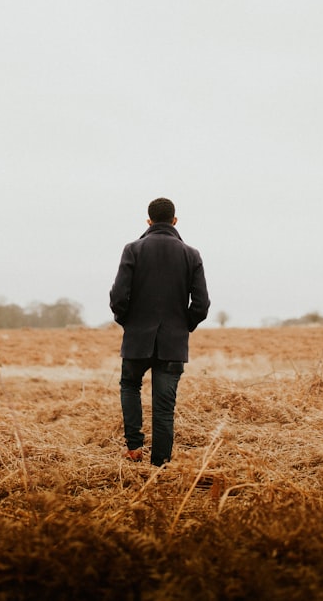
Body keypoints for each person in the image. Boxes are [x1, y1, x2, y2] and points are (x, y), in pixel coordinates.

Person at [109, 197, 210, 466]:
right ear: (175, 221)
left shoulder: (133, 250)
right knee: (164, 408)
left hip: (137, 339)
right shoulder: (192, 254)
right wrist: (182, 326)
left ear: (149, 221)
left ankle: (134, 448)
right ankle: (161, 466)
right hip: (173, 344)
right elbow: (201, 305)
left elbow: (118, 296)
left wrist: (127, 321)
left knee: (129, 385)